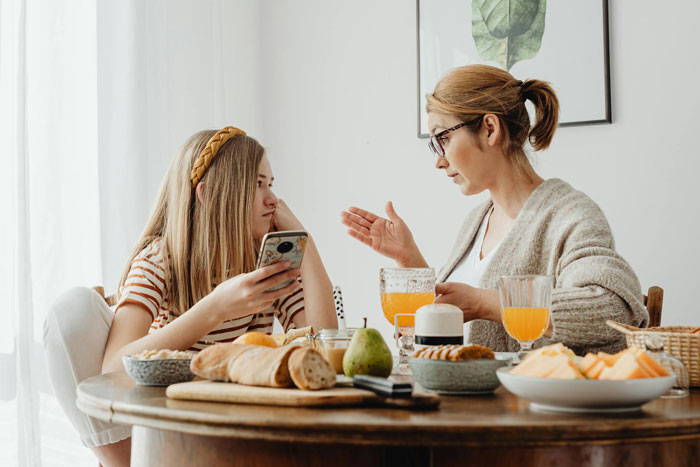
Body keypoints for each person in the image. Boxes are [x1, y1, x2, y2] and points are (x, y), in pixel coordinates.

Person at [46, 126, 337, 466]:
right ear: (210, 194)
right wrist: (215, 309)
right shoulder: (160, 259)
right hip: (166, 432)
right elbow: (113, 369)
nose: (273, 199)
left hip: (236, 429)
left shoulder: (263, 265)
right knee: (71, 307)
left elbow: (325, 340)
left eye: (270, 185)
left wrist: (306, 242)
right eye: (258, 184)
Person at [341, 64, 647, 357]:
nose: (438, 159)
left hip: (526, 408)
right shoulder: (477, 221)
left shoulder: (571, 217)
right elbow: (452, 319)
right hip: (461, 405)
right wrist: (409, 259)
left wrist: (484, 303)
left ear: (489, 129)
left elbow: (614, 308)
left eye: (443, 138)